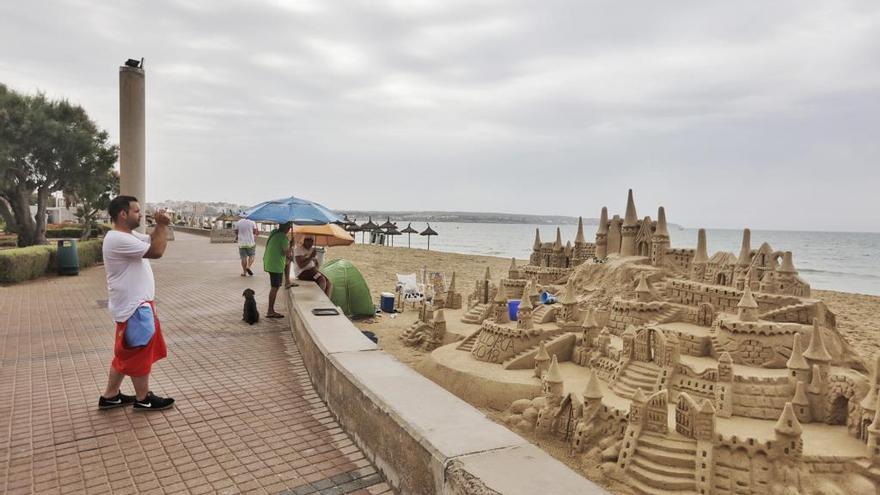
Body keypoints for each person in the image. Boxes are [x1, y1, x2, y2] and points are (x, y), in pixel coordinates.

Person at [98, 195, 175, 411]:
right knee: (139, 354)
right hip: (135, 308)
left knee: (125, 354)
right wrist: (161, 224)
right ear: (123, 214)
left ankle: (110, 396)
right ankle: (144, 399)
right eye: (137, 211)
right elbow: (157, 250)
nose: (141, 214)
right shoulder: (118, 239)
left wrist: (159, 227)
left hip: (133, 306)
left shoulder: (127, 236)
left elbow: (152, 240)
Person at [263, 222, 292, 318]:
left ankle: (287, 281)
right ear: (287, 228)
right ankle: (270, 311)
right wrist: (291, 245)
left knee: (275, 286)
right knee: (274, 288)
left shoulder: (274, 232)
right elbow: (286, 254)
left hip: (269, 263)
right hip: (276, 265)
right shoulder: (283, 238)